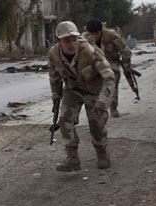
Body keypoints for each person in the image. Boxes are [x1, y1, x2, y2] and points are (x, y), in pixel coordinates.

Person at [48, 21, 115, 171]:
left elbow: (109, 78)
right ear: (58, 41)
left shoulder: (90, 51)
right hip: (73, 90)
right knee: (65, 120)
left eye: (74, 40)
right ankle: (72, 159)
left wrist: (103, 102)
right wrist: (55, 93)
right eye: (66, 41)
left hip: (94, 91)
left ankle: (102, 154)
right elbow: (54, 75)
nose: (72, 44)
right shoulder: (54, 54)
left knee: (96, 124)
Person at [84, 19, 133, 117]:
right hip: (95, 66)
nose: (94, 36)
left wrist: (126, 65)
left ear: (100, 31)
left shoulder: (111, 35)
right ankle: (98, 108)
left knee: (112, 86)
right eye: (91, 34)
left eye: (96, 33)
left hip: (111, 64)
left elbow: (125, 51)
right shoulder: (84, 38)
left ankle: (113, 108)